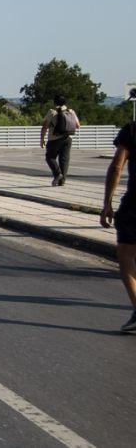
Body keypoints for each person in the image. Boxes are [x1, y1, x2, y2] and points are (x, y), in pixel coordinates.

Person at [99, 120, 136, 332]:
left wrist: (107, 203)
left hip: (135, 205)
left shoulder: (132, 130)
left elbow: (117, 166)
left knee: (126, 256)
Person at [40, 95, 81, 186]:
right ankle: (62, 181)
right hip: (68, 138)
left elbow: (45, 126)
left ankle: (58, 174)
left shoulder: (52, 112)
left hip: (54, 139)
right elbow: (78, 125)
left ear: (55, 102)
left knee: (50, 157)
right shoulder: (71, 111)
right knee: (64, 159)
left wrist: (42, 139)